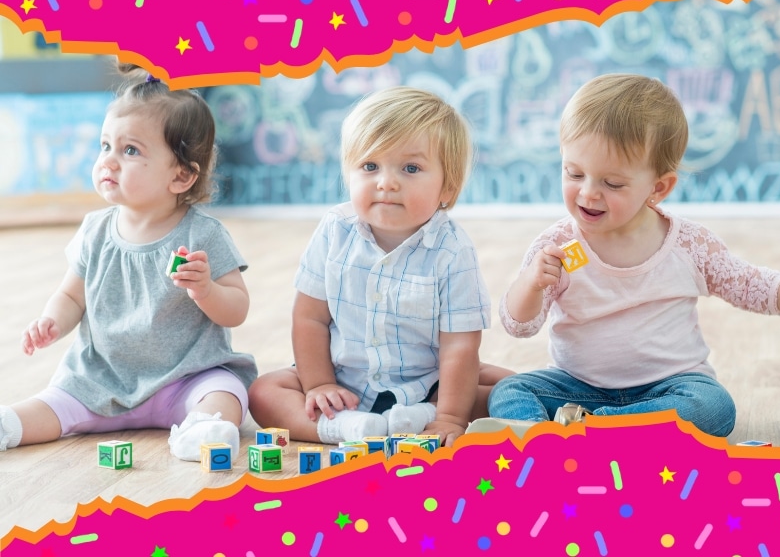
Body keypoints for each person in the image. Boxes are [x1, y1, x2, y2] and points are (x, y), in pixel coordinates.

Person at [482, 73, 780, 437]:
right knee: (511, 391)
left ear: (658, 188)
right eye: (574, 173)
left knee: (713, 407)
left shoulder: (689, 246)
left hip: (669, 386)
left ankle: (588, 432)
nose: (587, 193)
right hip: (578, 386)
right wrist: (531, 283)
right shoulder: (556, 245)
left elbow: (748, 284)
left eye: (612, 183)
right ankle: (582, 441)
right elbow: (518, 324)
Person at [0, 64, 257, 460]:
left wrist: (206, 290)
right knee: (52, 403)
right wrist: (53, 321)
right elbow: (72, 296)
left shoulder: (202, 235)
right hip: (100, 381)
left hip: (185, 380)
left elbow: (237, 309)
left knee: (227, 392)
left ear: (181, 177)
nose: (109, 161)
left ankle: (206, 429)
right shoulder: (94, 230)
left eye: (130, 150)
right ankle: (9, 425)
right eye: (105, 146)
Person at [248, 86, 513, 447]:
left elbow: (459, 347)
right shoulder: (335, 231)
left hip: (425, 382)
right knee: (264, 392)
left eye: (411, 168)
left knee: (513, 389)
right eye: (370, 166)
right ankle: (343, 427)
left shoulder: (452, 251)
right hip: (345, 380)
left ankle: (424, 416)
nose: (386, 182)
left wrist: (450, 416)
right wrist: (319, 384)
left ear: (447, 188)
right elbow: (309, 318)